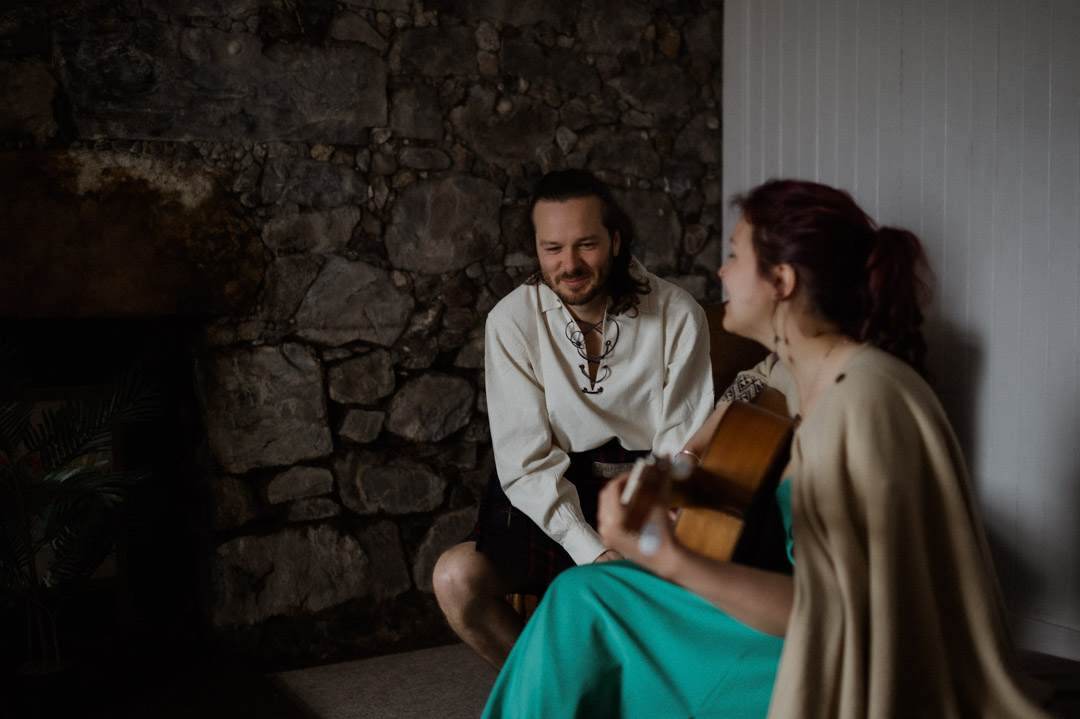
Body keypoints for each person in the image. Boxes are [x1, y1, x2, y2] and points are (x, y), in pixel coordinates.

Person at [480, 179, 1052, 718]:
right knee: (583, 595)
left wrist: (674, 560)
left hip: (851, 666)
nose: (722, 272)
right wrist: (670, 480)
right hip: (808, 632)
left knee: (582, 610)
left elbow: (838, 620)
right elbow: (738, 410)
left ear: (781, 282)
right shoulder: (808, 371)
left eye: (734, 255)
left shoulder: (865, 402)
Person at [432, 169, 716, 668]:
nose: (569, 265)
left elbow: (682, 445)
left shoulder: (678, 313)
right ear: (537, 249)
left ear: (615, 240)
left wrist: (639, 540)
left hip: (645, 496)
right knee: (454, 580)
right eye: (552, 249)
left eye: (586, 245)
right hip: (551, 496)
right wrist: (590, 548)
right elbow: (526, 462)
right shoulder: (510, 321)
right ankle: (550, 695)